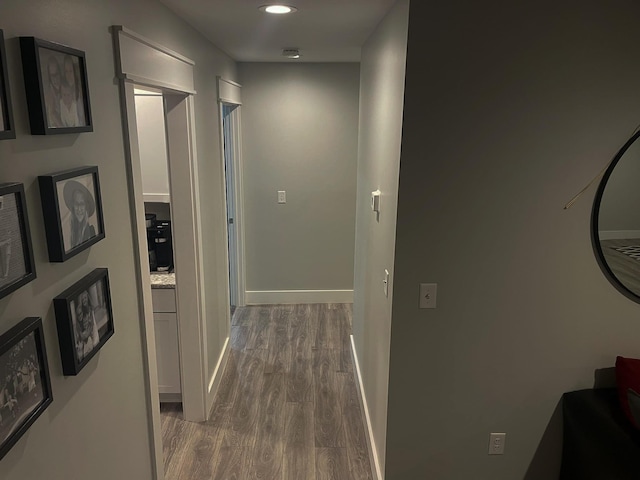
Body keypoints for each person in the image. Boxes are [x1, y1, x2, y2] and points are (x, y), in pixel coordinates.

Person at [62, 180, 97, 249]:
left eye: (82, 204)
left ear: (86, 206)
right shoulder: (73, 233)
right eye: (76, 203)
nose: (79, 208)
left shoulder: (90, 232)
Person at [74, 290, 99, 361]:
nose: (84, 300)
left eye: (85, 298)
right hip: (85, 341)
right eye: (83, 299)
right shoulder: (82, 313)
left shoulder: (90, 310)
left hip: (91, 336)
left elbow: (92, 326)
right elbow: (82, 334)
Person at [44, 56, 62, 127]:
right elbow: (52, 113)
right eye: (52, 75)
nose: (55, 78)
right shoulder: (49, 93)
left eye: (56, 74)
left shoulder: (64, 87)